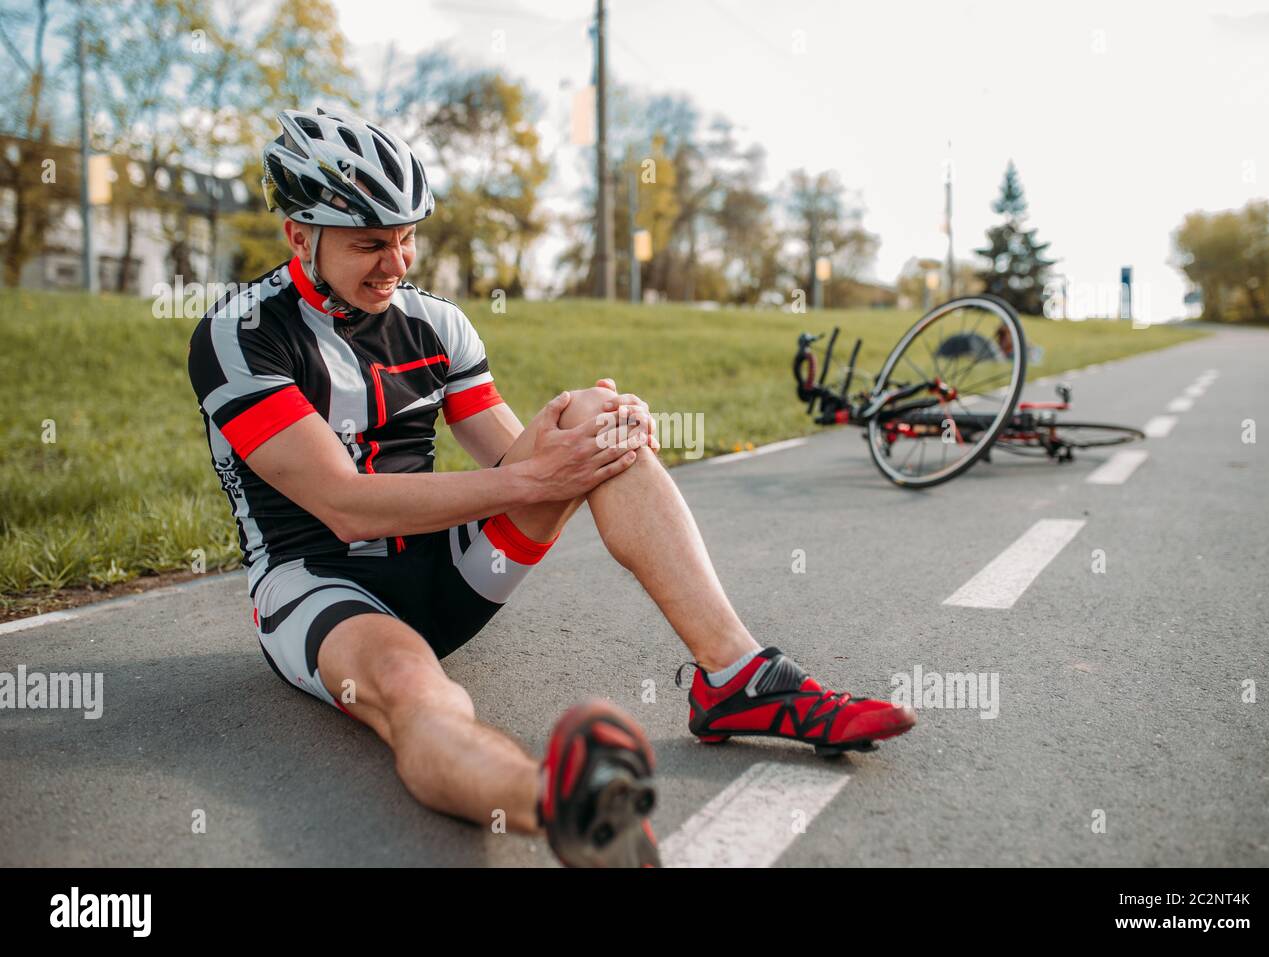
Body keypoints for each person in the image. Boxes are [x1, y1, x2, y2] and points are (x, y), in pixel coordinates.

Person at [187, 106, 916, 868]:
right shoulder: (240, 333)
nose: (397, 262)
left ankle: (738, 675)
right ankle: (563, 807)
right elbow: (340, 500)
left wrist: (600, 439)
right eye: (370, 243)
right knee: (415, 690)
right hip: (320, 587)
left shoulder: (437, 325)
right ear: (299, 235)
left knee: (595, 423)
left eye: (406, 237)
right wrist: (539, 473)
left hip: (445, 576)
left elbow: (515, 453)